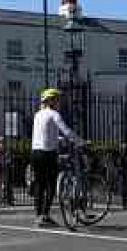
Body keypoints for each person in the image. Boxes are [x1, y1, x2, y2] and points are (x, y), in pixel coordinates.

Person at [30, 89, 81, 224]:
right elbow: (67, 131)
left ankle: (38, 215)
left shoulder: (38, 115)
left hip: (35, 153)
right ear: (51, 101)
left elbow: (43, 133)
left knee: (39, 185)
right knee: (51, 185)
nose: (59, 102)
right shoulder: (54, 114)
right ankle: (45, 214)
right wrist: (81, 141)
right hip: (48, 154)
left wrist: (57, 139)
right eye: (57, 99)